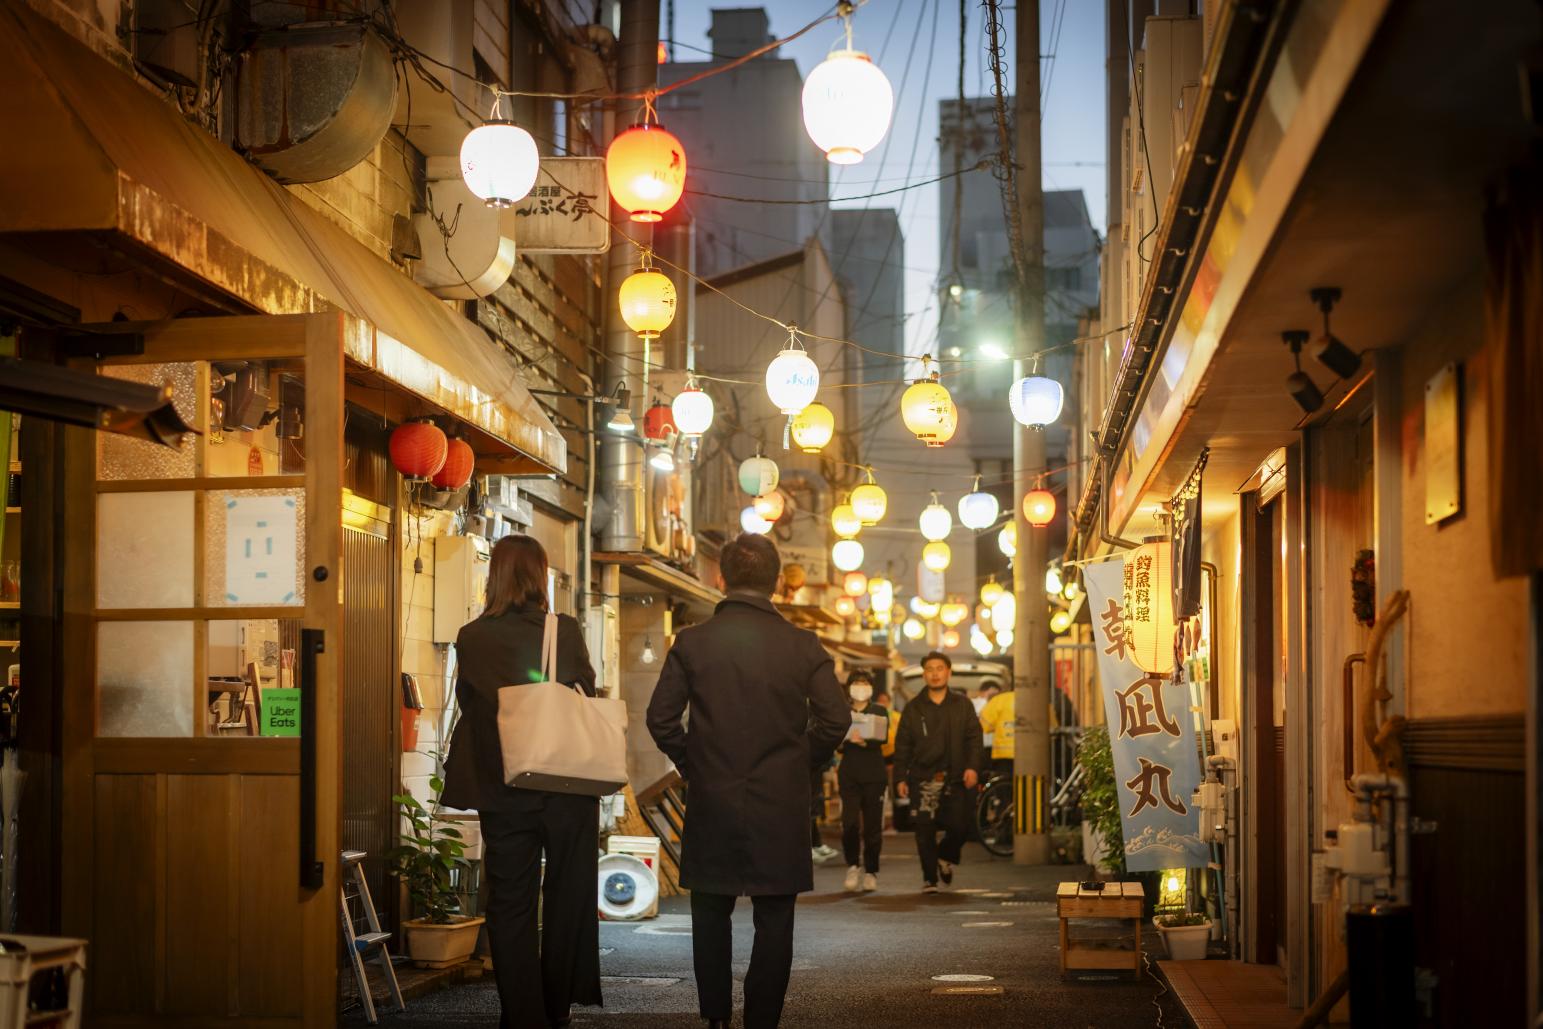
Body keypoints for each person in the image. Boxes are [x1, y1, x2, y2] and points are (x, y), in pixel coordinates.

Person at [647, 533, 849, 1029]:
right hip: (779, 803)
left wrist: (694, 763)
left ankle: (716, 1019)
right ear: (778, 582)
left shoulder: (693, 642)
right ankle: (762, 1021)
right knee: (774, 919)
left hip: (713, 800)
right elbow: (836, 719)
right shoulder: (803, 645)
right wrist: (801, 762)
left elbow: (661, 720)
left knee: (710, 915)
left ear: (721, 577)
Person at [440, 535, 600, 1029]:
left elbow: (471, 707)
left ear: (496, 577)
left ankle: (523, 1014)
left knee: (509, 902)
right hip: (564, 784)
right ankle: (556, 1008)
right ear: (539, 576)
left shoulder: (471, 636)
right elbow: (585, 693)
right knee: (567, 893)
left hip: (502, 786)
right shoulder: (563, 630)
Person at [893, 651, 983, 893]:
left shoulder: (962, 704)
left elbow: (974, 739)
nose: (935, 673)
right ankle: (930, 878)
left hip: (955, 777)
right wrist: (900, 776)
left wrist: (973, 767)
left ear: (948, 672)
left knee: (960, 827)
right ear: (924, 674)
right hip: (922, 779)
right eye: (930, 669)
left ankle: (944, 856)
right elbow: (902, 745)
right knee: (924, 831)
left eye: (939, 668)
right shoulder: (913, 708)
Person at [837, 671, 889, 892]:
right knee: (849, 823)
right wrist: (846, 741)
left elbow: (883, 737)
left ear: (871, 687)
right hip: (849, 773)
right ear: (849, 687)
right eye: (856, 683)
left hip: (874, 774)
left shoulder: (879, 710)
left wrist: (864, 741)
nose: (860, 686)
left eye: (865, 683)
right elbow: (834, 740)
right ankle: (852, 865)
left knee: (872, 826)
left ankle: (871, 871)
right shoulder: (841, 711)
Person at [977, 681, 1016, 781]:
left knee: (1004, 787)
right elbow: (1053, 728)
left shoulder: (999, 700)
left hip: (1003, 755)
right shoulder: (1040, 699)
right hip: (1033, 755)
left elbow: (984, 725)